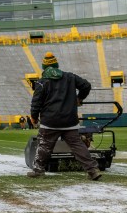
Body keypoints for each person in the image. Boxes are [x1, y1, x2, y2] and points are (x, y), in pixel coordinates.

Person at [28, 52, 101, 181]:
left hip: (50, 121)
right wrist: (80, 98)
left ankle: (38, 170)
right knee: (78, 146)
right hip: (70, 120)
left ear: (44, 67)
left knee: (44, 145)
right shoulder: (70, 77)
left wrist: (33, 116)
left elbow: (36, 101)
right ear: (57, 65)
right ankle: (92, 170)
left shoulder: (42, 82)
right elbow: (86, 85)